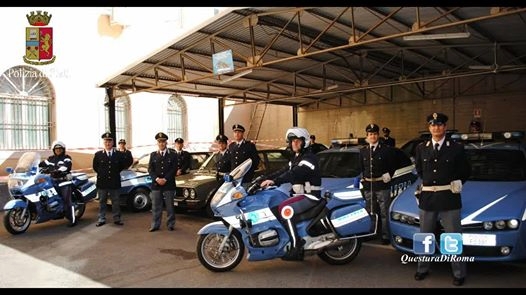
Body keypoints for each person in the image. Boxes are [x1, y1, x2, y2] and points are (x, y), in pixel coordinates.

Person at [413, 113, 470, 286]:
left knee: (452, 237)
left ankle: (459, 273)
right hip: (428, 197)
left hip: (449, 197)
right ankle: (422, 269)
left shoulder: (456, 148)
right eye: (432, 125)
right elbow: (420, 170)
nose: (436, 128)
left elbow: (466, 170)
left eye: (439, 125)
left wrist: (458, 182)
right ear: (429, 127)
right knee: (425, 236)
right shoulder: (421, 147)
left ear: (445, 127)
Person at [260, 127, 322, 261]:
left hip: (310, 196)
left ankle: (297, 246)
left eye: (297, 141)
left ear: (304, 142)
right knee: (274, 208)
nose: (294, 144)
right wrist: (264, 178)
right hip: (299, 196)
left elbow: (293, 174)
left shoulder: (309, 159)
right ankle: (285, 241)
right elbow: (282, 170)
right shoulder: (296, 158)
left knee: (284, 210)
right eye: (292, 141)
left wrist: (275, 181)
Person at [359, 123, 397, 244]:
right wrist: (361, 178)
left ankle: (385, 235)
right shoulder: (363, 151)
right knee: (370, 211)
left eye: (375, 134)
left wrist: (389, 174)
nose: (373, 136)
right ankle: (371, 232)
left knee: (384, 211)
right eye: (370, 134)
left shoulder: (385, 150)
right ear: (367, 136)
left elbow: (393, 164)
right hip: (368, 185)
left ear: (378, 135)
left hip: (382, 184)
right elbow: (361, 167)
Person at [93, 132, 133, 227]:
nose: (108, 143)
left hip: (114, 182)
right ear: (104, 142)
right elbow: (95, 167)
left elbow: (122, 166)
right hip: (102, 182)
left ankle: (117, 218)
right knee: (102, 201)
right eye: (106, 141)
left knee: (115, 201)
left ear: (113, 142)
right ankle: (101, 218)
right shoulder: (98, 155)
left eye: (109, 141)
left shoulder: (118, 154)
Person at [39, 140, 76, 227]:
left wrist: (58, 171)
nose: (58, 150)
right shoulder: (51, 159)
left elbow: (66, 166)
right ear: (54, 150)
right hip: (52, 181)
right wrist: (35, 167)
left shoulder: (66, 158)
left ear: (63, 149)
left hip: (63, 182)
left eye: (60, 149)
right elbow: (41, 164)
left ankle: (72, 219)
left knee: (67, 200)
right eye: (56, 149)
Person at [148, 132, 178, 232]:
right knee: (156, 206)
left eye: (163, 142)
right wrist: (157, 179)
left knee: (170, 206)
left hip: (168, 184)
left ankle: (170, 224)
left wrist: (165, 179)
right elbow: (150, 170)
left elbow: (173, 169)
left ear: (166, 143)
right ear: (157, 143)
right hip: (156, 184)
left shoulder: (173, 155)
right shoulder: (153, 155)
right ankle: (155, 225)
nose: (161, 144)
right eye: (159, 142)